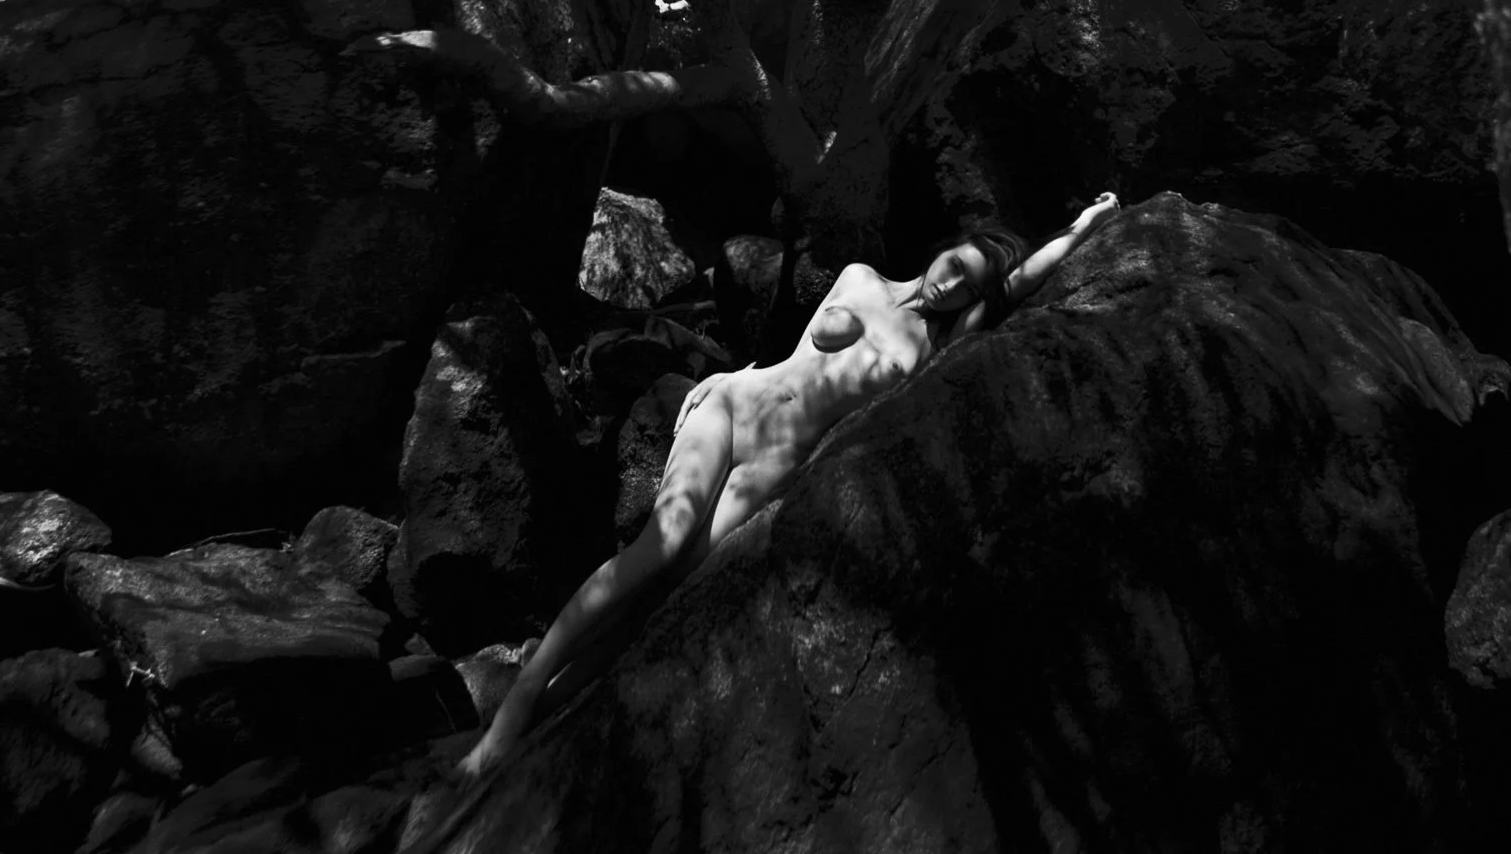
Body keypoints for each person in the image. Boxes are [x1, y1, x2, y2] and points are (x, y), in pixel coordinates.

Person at [458, 190, 1121, 783]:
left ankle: (548, 711)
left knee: (659, 602)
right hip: (734, 406)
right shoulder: (862, 276)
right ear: (944, 252)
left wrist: (1085, 225)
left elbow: (1021, 286)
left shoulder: (931, 352)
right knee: (659, 547)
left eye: (969, 286)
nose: (952, 285)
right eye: (957, 266)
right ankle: (513, 710)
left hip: (770, 470)